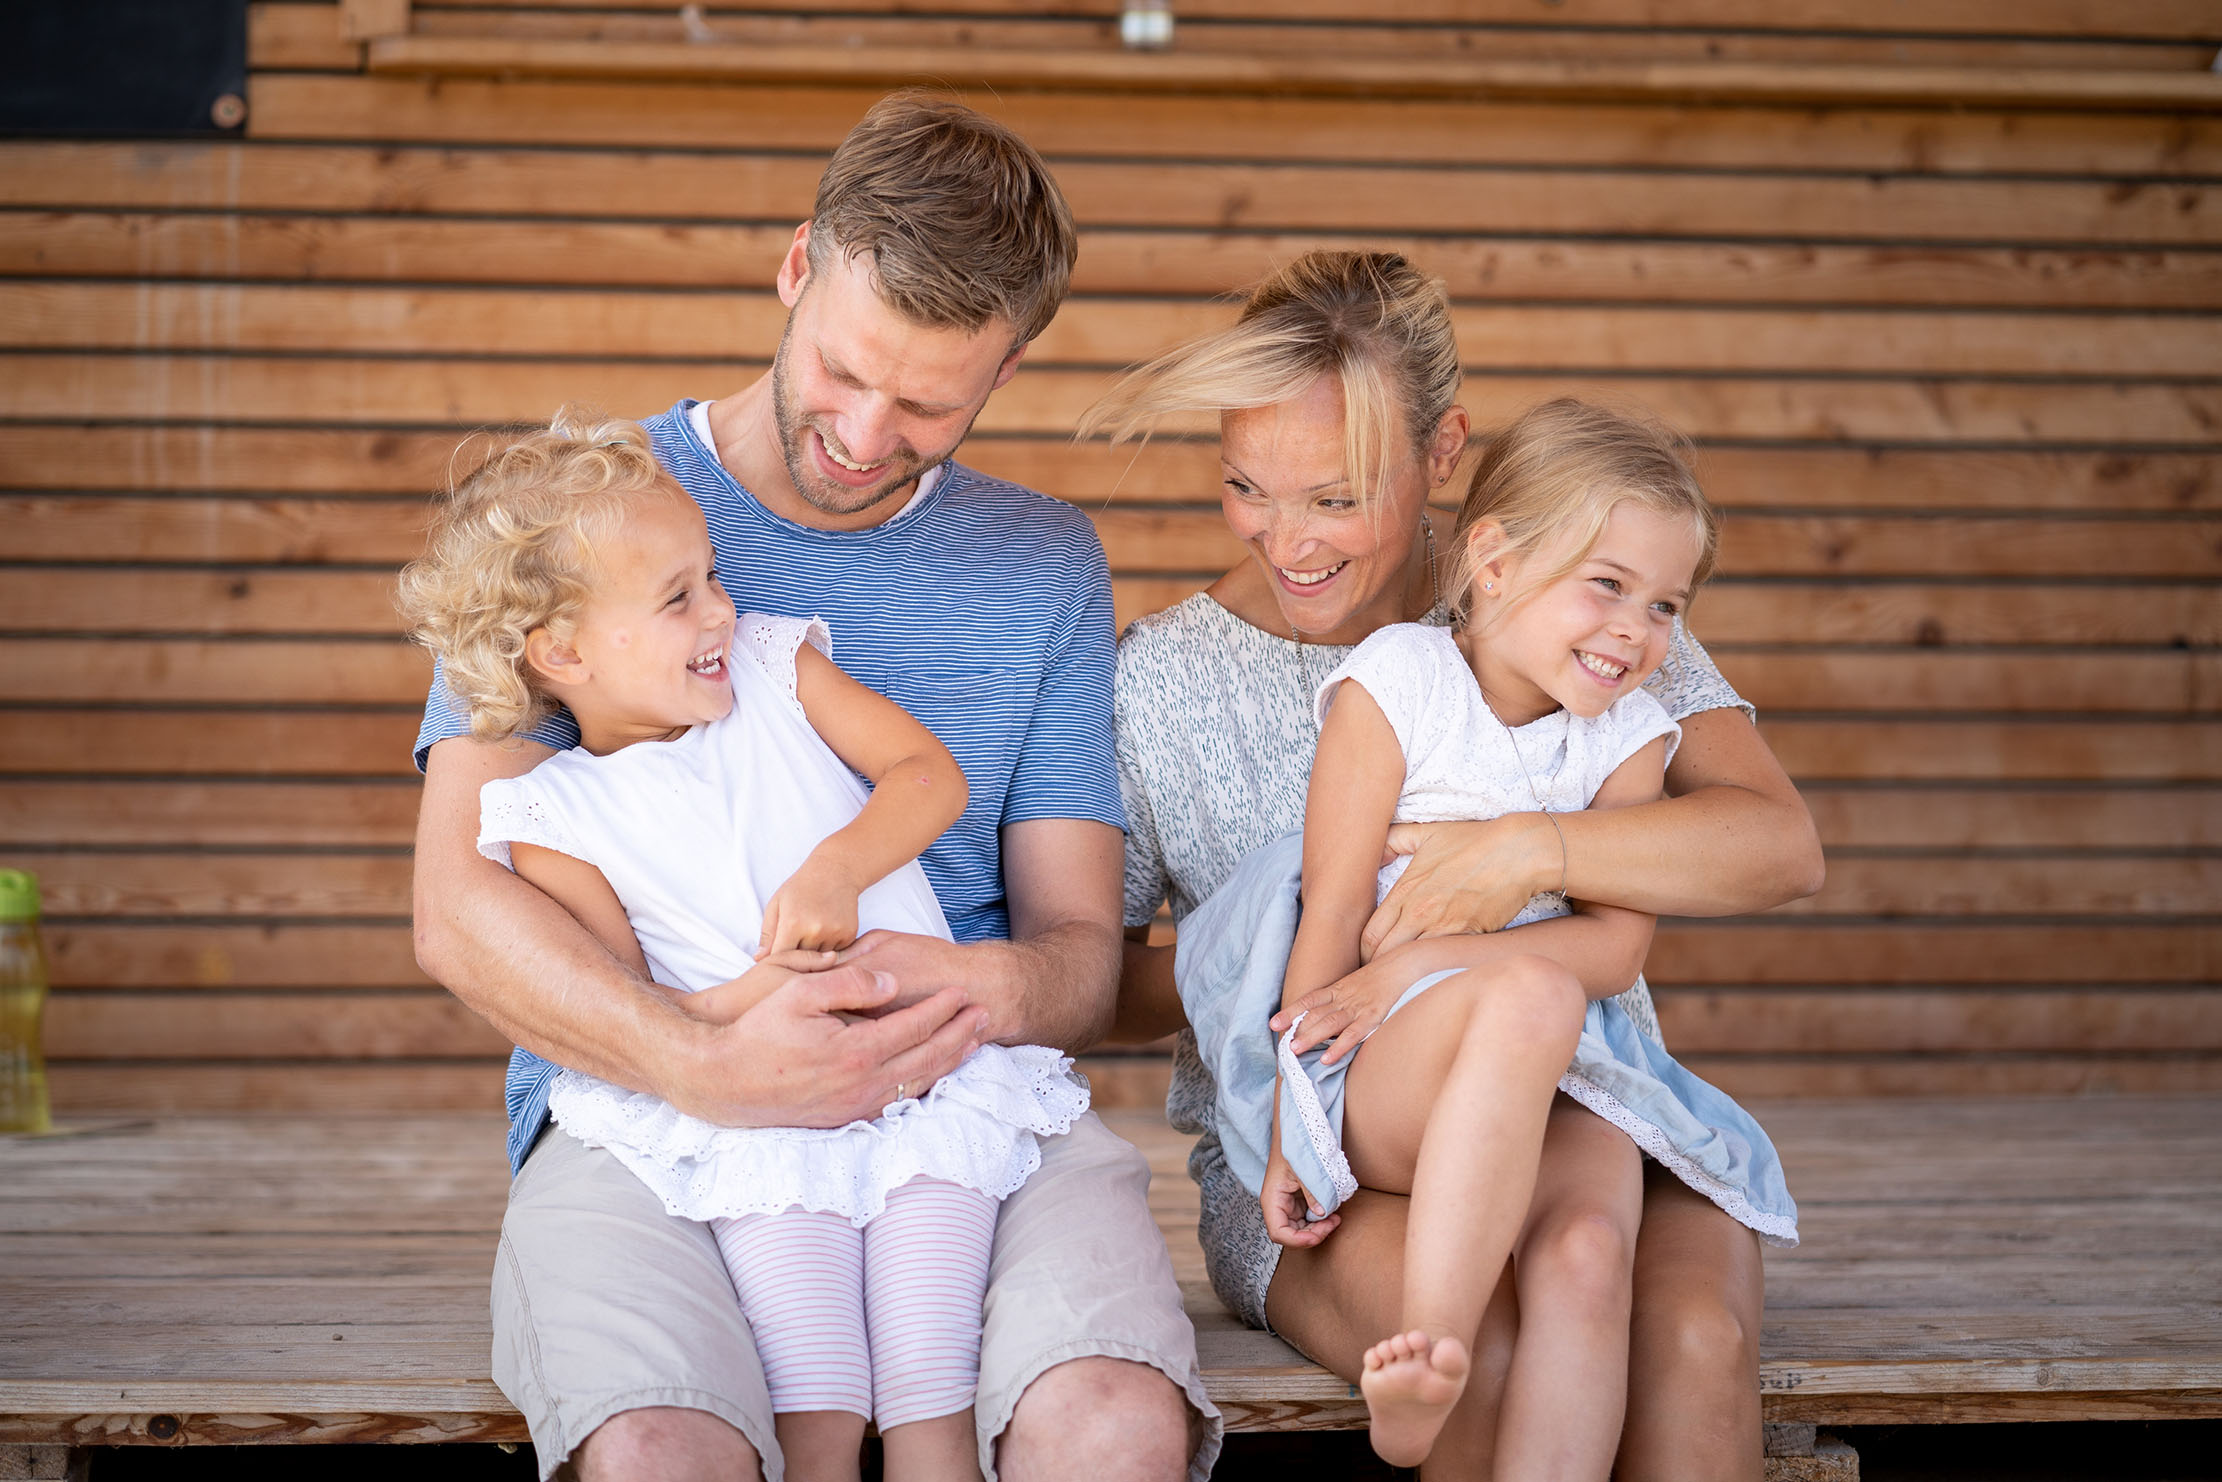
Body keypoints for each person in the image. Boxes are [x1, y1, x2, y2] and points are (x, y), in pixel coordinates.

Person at [410, 94, 1213, 1482]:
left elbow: (1081, 954)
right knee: (665, 1448)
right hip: (646, 1101)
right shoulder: (593, 509)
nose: (861, 429)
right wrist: (705, 1054)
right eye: (844, 368)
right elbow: (458, 908)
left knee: (1111, 1426)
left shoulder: (1041, 564)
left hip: (958, 1096)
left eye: (925, 403)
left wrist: (977, 993)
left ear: (1005, 370)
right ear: (796, 268)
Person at [1084, 250, 1825, 1481]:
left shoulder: (1582, 602)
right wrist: (1274, 947)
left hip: (1585, 1099)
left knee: (1691, 1338)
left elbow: (1776, 845)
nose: (1287, 539)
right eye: (1246, 489)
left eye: (1335, 494)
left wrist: (1525, 854)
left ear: (1444, 456)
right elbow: (1094, 986)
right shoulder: (1158, 679)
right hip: (1327, 1149)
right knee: (1477, 1342)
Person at [399, 413, 1096, 1482]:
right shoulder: (549, 820)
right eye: (677, 597)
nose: (721, 608)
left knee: (928, 1389)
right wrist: (759, 1001)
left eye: (711, 575)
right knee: (812, 1396)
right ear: (562, 651)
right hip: (758, 1129)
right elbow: (637, 1001)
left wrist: (836, 870)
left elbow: (928, 779)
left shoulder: (777, 668)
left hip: (926, 1088)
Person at [1227, 397, 1797, 1470]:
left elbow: (1612, 955)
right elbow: (1331, 910)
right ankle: (1428, 1354)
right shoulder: (1396, 685)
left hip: (1567, 1075)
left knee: (1586, 1256)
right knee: (1532, 991)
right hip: (1387, 1063)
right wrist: (1284, 1130)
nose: (1637, 632)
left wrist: (1446, 951)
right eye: (1608, 586)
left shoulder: (1630, 734)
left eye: (1666, 605)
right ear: (1492, 559)